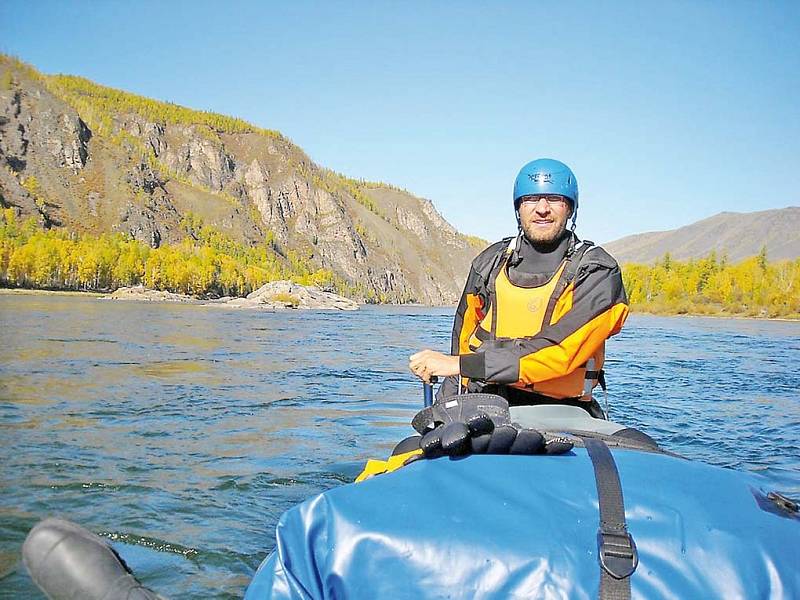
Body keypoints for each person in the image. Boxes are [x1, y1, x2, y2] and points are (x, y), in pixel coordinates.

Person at [409, 158, 628, 418]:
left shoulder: (598, 271)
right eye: (531, 199)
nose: (542, 209)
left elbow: (559, 352)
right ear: (519, 208)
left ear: (569, 208)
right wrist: (448, 403)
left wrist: (459, 365)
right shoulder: (489, 263)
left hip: (563, 410)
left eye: (555, 199)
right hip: (485, 401)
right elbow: (463, 339)